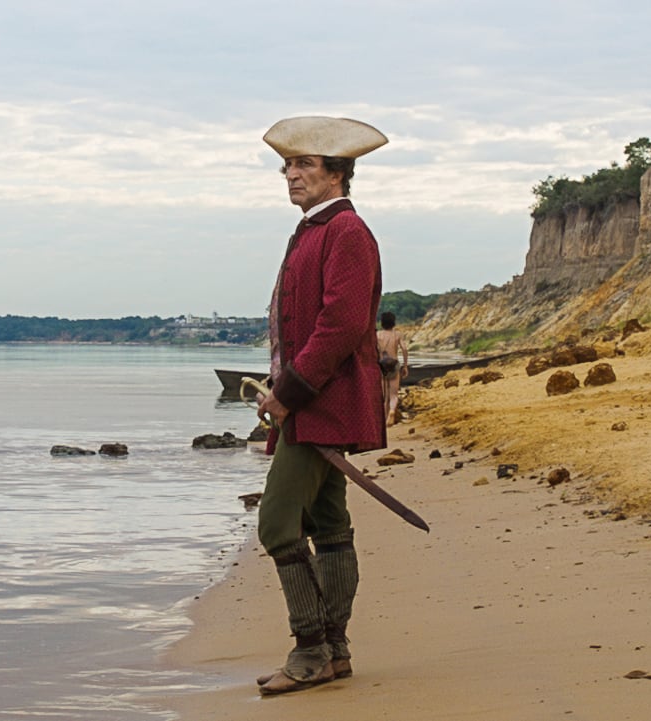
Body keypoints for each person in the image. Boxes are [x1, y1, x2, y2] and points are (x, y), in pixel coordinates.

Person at [253, 116, 388, 695]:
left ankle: (310, 650)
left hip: (322, 405)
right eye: (288, 165)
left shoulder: (347, 231)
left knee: (277, 524)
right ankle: (333, 650)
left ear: (338, 172)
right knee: (328, 524)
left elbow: (340, 326)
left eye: (304, 164)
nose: (291, 174)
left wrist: (287, 395)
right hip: (311, 403)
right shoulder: (311, 230)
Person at [377, 311, 409, 425]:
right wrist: (405, 366)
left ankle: (384, 420)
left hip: (381, 365)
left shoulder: (377, 335)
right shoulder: (397, 335)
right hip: (394, 364)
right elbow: (404, 349)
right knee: (393, 394)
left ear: (382, 323)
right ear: (393, 323)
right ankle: (391, 411)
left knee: (384, 395)